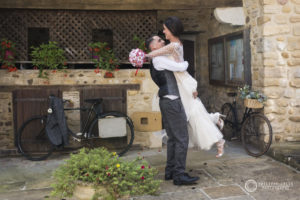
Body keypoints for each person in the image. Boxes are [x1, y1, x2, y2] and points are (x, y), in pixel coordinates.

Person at [146, 16, 225, 157]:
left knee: (193, 112)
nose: (163, 32)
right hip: (180, 83)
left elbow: (154, 54)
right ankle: (215, 122)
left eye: (164, 29)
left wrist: (143, 56)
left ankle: (218, 136)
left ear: (171, 29)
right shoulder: (174, 44)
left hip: (182, 82)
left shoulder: (174, 45)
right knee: (192, 112)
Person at [145, 25, 200, 186]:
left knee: (173, 139)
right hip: (172, 101)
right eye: (159, 40)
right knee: (182, 138)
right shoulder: (160, 59)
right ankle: (179, 175)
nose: (162, 41)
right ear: (153, 46)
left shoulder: (158, 58)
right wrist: (182, 59)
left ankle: (170, 171)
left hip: (166, 101)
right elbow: (182, 67)